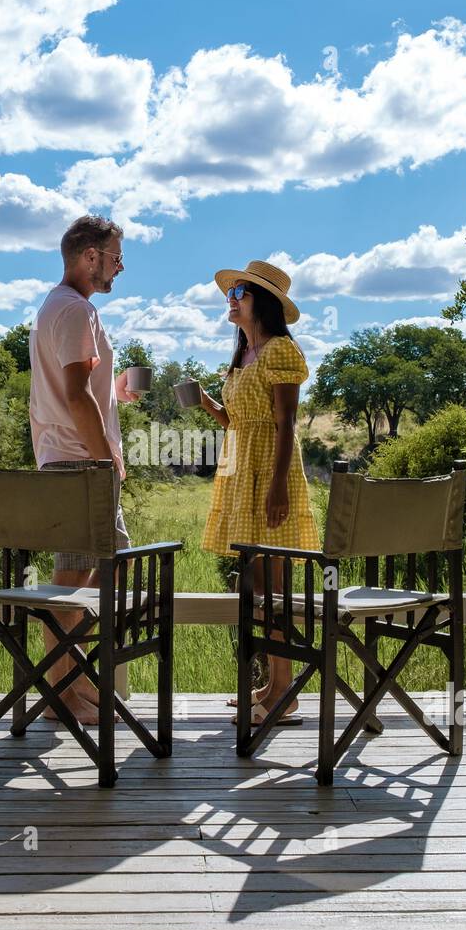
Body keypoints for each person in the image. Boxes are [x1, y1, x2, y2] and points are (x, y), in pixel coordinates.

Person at [198, 259, 320, 722]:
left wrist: (278, 488)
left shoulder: (280, 352)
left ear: (263, 303)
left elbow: (284, 423)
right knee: (257, 589)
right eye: (230, 294)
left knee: (274, 590)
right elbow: (240, 424)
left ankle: (282, 696)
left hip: (272, 474)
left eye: (239, 294)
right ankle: (273, 685)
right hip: (242, 472)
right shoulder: (243, 357)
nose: (230, 301)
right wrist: (209, 404)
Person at [29, 215, 139, 725]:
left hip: (76, 459)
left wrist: (114, 393)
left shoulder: (62, 307)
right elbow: (73, 396)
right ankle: (63, 695)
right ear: (90, 256)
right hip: (79, 464)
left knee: (111, 564)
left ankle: (71, 682)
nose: (120, 266)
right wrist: (104, 461)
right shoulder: (74, 310)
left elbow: (80, 390)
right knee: (71, 581)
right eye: (116, 256)